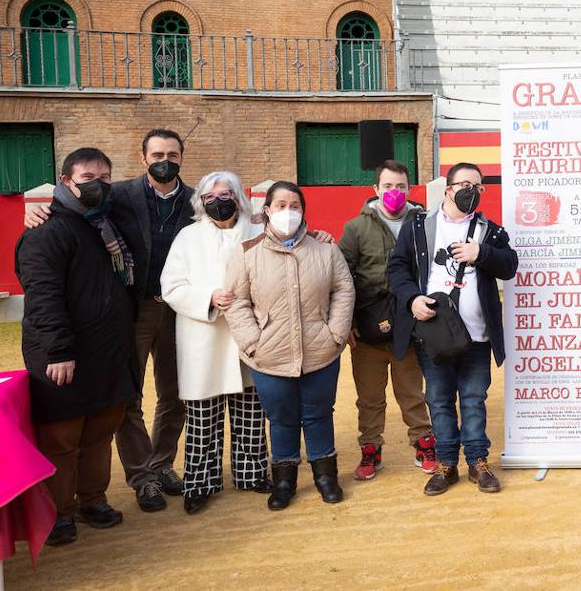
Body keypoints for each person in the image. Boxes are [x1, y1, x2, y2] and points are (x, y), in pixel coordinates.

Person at [24, 129, 193, 511]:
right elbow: (69, 209)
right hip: (133, 309)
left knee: (175, 393)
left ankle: (163, 463)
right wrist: (33, 210)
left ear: (182, 156)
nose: (164, 159)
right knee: (126, 397)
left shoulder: (197, 200)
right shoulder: (118, 196)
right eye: (157, 153)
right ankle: (143, 476)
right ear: (143, 156)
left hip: (181, 309)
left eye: (172, 153)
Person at [15, 148, 139, 546]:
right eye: (88, 177)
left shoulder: (105, 223)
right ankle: (57, 512)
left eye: (105, 177)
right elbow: (43, 297)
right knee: (61, 441)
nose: (98, 184)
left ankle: (92, 500)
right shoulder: (47, 229)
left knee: (99, 434)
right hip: (64, 356)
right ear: (66, 181)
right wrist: (58, 350)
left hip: (106, 353)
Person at [387, 162, 519, 496]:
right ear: (448, 189)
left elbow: (510, 265)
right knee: (439, 399)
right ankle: (447, 464)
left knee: (474, 398)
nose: (471, 192)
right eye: (465, 185)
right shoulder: (418, 225)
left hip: (477, 335)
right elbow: (397, 268)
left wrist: (481, 253)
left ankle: (477, 462)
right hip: (434, 333)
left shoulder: (491, 231)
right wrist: (411, 299)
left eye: (478, 187)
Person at [223, 181, 355, 510]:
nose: (288, 211)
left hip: (320, 350)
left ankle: (326, 476)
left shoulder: (325, 249)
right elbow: (236, 301)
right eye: (280, 205)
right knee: (281, 417)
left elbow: (343, 289)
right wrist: (253, 341)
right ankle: (284, 481)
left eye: (294, 205)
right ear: (266, 210)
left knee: (319, 414)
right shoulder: (247, 252)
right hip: (269, 353)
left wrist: (336, 332)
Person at [160, 172, 271, 515]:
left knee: (251, 410)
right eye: (209, 197)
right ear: (201, 203)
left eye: (225, 195)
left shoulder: (258, 233)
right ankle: (201, 481)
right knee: (202, 417)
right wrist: (208, 296)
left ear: (238, 197)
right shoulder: (188, 237)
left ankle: (251, 473)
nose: (218, 202)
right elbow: (172, 287)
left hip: (248, 335)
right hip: (203, 337)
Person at [339, 160, 437, 480]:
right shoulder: (356, 228)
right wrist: (348, 322)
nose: (394, 192)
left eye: (400, 187)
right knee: (369, 397)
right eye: (387, 186)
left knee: (412, 392)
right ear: (375, 189)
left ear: (410, 189)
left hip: (409, 325)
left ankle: (423, 444)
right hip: (367, 327)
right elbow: (343, 277)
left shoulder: (424, 222)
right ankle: (370, 450)